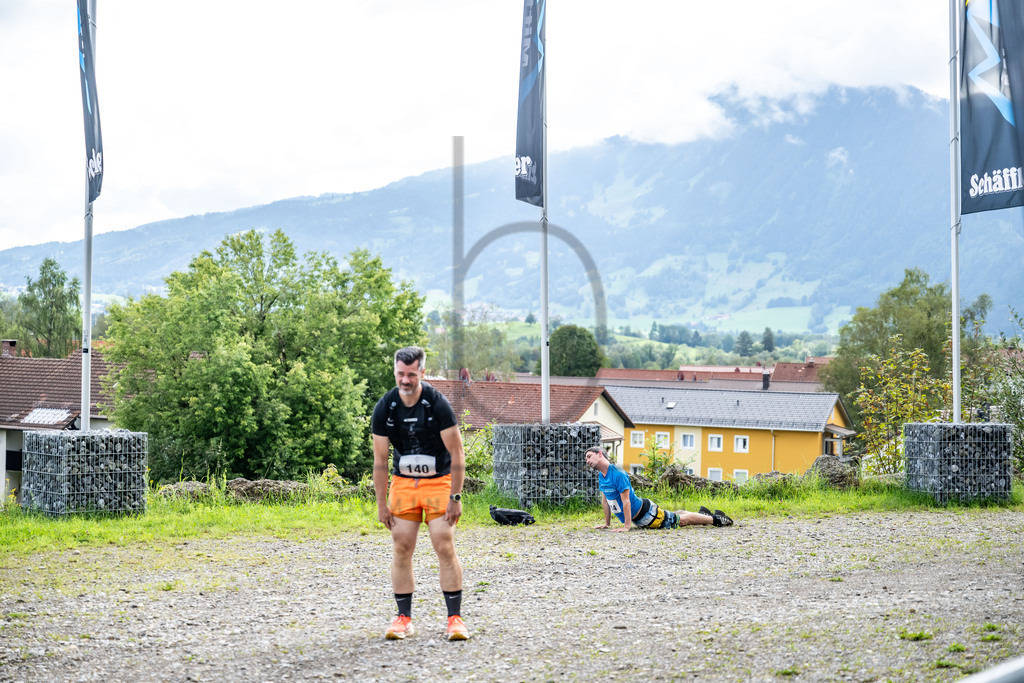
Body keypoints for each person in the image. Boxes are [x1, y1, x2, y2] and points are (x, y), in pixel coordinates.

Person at [372, 346, 469, 641]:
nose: (405, 380)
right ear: (394, 372)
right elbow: (380, 461)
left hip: (438, 483)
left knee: (444, 544)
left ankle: (454, 620)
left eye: (411, 374)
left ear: (422, 373)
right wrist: (381, 504)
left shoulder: (437, 404)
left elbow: (457, 453)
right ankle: (403, 618)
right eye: (400, 374)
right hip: (404, 484)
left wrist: (455, 497)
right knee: (401, 546)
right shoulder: (385, 407)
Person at [584, 446, 734, 531]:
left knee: (681, 521)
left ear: (600, 454)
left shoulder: (618, 474)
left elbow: (626, 502)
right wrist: (607, 524)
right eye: (586, 459)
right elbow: (606, 501)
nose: (587, 461)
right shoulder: (602, 476)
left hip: (646, 514)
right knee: (674, 514)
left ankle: (716, 519)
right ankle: (702, 515)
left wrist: (626, 527)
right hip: (640, 518)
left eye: (589, 456)